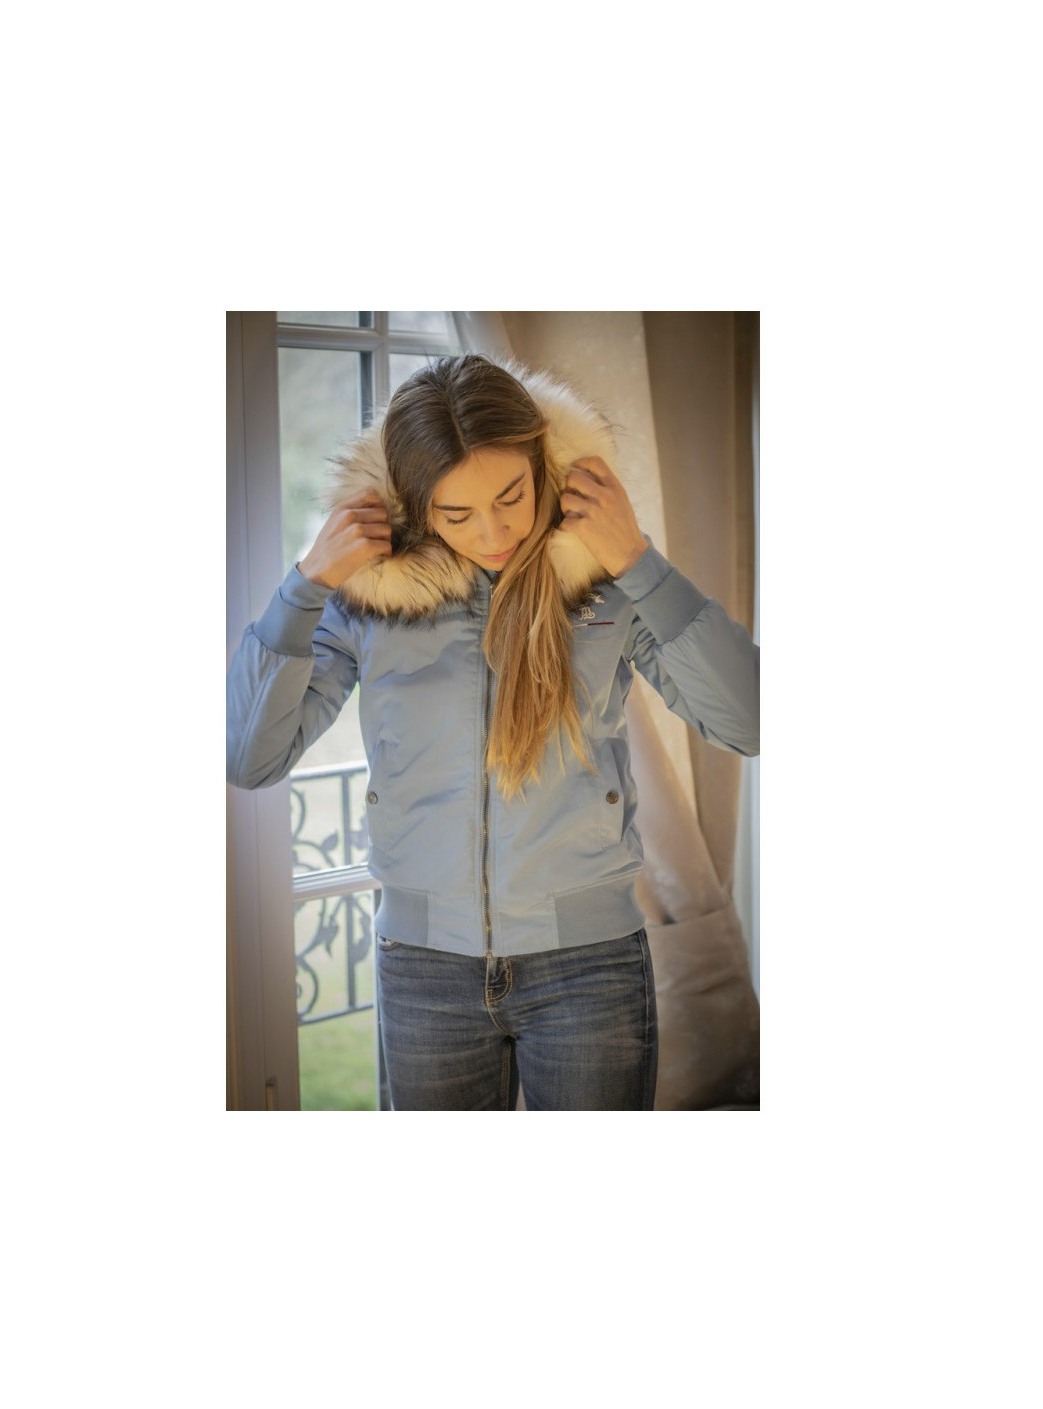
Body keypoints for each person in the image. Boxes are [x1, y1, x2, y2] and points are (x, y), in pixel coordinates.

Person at [227, 353, 759, 1111]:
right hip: (425, 969)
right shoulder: (367, 598)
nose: (494, 531)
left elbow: (748, 719)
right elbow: (249, 757)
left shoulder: (605, 576)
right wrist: (303, 586)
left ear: (542, 464)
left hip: (590, 966)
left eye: (512, 496)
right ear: (417, 508)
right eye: (456, 513)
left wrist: (640, 562)